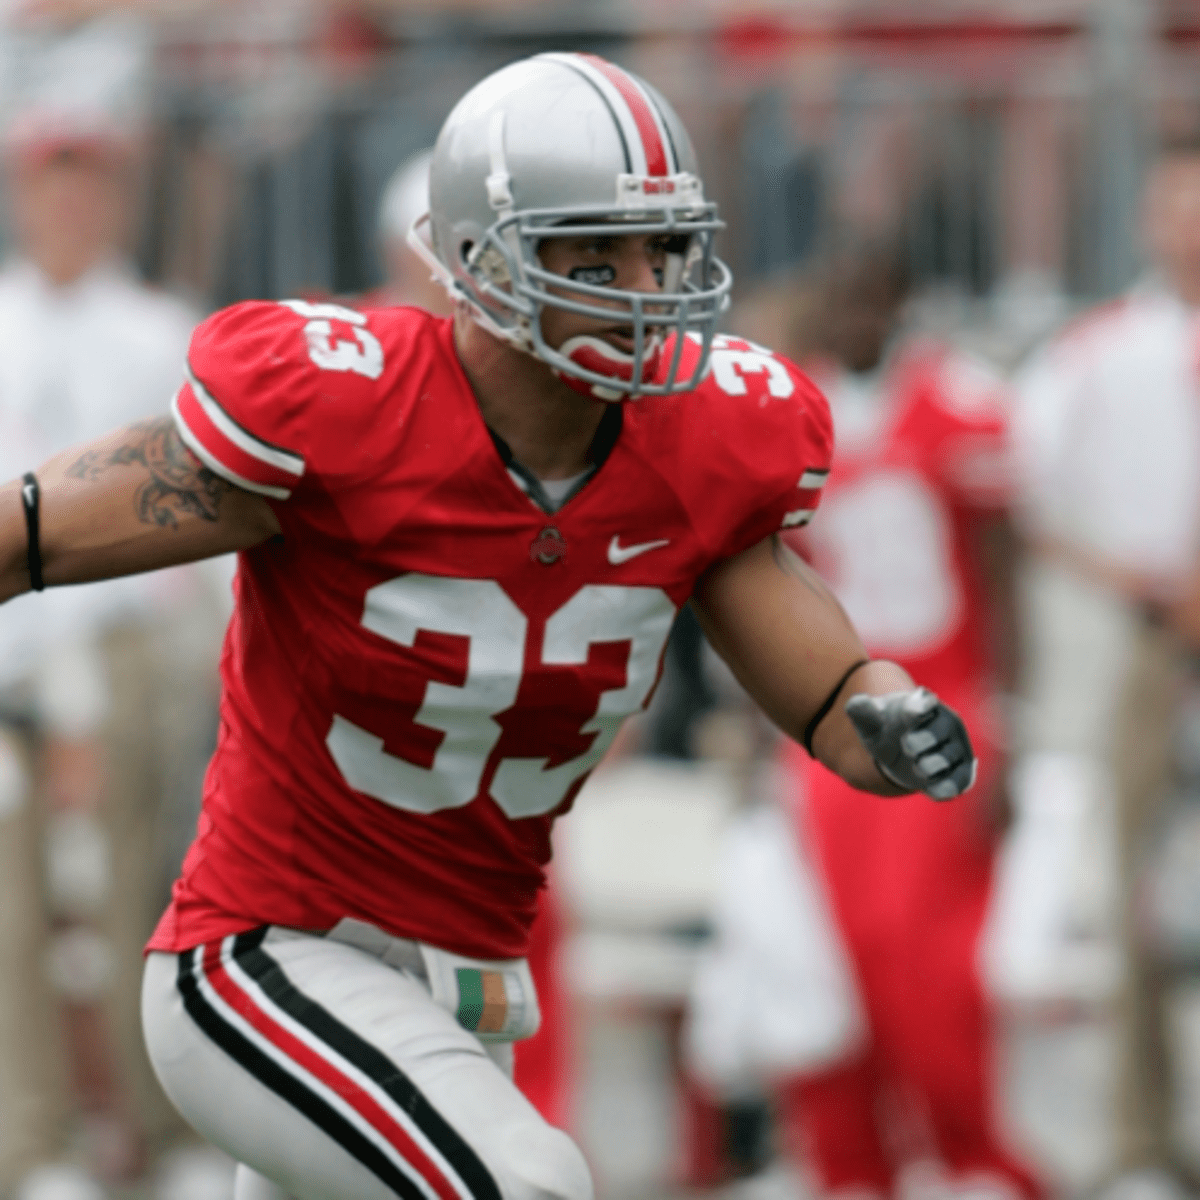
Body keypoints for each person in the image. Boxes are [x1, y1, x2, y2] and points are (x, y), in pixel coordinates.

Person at [0, 53, 976, 1200]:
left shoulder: (705, 443)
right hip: (269, 954)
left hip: (463, 991)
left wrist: (894, 720)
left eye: (660, 248)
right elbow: (35, 531)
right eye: (593, 254)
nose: (642, 285)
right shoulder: (350, 407)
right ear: (482, 258)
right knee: (527, 1186)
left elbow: (827, 694)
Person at [760, 244, 1041, 1200]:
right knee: (836, 964)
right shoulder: (800, 413)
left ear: (899, 303)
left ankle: (974, 1160)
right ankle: (858, 1171)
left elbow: (1003, 578)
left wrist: (1006, 716)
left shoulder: (960, 405)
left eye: (868, 298)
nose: (850, 320)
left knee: (930, 966)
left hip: (942, 701)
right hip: (832, 716)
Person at [1012, 136, 1200, 1200]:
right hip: (1153, 634)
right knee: (1134, 891)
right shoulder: (1099, 354)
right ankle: (1142, 1140)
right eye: (1176, 205)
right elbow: (1032, 499)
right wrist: (1138, 576)